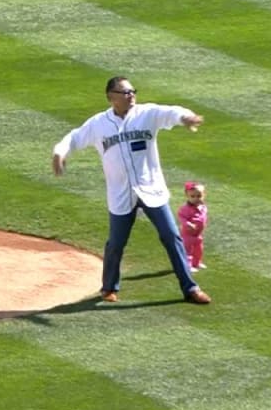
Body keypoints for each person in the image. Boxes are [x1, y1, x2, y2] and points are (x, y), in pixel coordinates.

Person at [51, 76, 211, 305]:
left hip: (151, 189)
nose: (131, 95)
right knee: (116, 243)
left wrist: (186, 117)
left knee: (171, 236)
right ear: (111, 97)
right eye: (125, 92)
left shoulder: (146, 114)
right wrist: (60, 152)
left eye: (132, 91)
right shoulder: (98, 124)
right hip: (120, 193)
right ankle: (108, 288)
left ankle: (190, 288)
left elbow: (170, 112)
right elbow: (74, 137)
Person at [177, 181, 208, 272]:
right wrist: (188, 224)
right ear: (187, 196)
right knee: (188, 250)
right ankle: (188, 265)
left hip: (198, 234)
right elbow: (181, 217)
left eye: (199, 196)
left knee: (199, 249)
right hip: (188, 234)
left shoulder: (202, 206)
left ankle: (196, 263)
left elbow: (203, 216)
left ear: (203, 195)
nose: (196, 199)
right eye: (192, 196)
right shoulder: (186, 208)